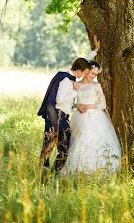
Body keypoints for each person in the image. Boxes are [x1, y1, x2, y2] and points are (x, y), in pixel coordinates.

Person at [38, 36, 100, 172]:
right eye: (84, 72)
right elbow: (60, 100)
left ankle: (48, 175)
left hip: (58, 117)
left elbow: (83, 62)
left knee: (53, 148)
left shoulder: (66, 74)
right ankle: (47, 176)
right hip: (58, 118)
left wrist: (94, 51)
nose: (85, 74)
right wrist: (74, 92)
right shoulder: (67, 81)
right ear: (78, 71)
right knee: (58, 150)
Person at [60, 61, 121, 175]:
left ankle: (94, 169)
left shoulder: (96, 85)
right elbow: (70, 102)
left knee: (93, 140)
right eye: (92, 73)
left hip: (95, 116)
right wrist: (77, 105)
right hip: (79, 117)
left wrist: (89, 106)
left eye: (95, 75)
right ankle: (78, 169)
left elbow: (102, 104)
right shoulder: (76, 84)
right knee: (78, 140)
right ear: (86, 71)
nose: (93, 76)